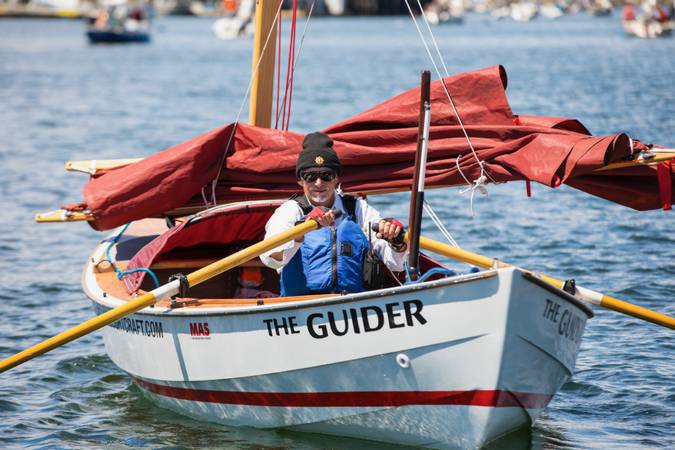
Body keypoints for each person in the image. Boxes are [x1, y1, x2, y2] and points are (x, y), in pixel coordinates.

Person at [260, 132, 408, 296]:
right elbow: (270, 260)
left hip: (355, 304)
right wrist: (300, 232)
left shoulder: (358, 208)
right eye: (310, 177)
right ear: (300, 181)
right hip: (300, 306)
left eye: (326, 175)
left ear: (336, 178)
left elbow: (397, 265)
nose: (318, 183)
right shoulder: (289, 211)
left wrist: (397, 243)